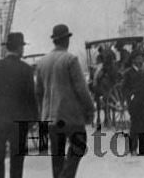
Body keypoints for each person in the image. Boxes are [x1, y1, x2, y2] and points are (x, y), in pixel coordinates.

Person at [35, 24, 94, 178]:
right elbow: (82, 89)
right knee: (79, 147)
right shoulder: (70, 59)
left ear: (54, 41)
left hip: (50, 119)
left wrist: (43, 114)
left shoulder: (42, 62)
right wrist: (90, 108)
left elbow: (39, 93)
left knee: (57, 157)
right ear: (66, 40)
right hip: (70, 116)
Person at [0, 32, 38, 178]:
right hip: (18, 120)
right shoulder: (26, 69)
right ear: (19, 48)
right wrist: (34, 119)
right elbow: (31, 97)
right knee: (17, 159)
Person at [122, 50, 144, 156]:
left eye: (141, 58)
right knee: (135, 126)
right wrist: (131, 97)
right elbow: (124, 88)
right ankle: (132, 149)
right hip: (135, 104)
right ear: (134, 60)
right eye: (139, 58)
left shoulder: (142, 72)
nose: (141, 60)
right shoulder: (128, 73)